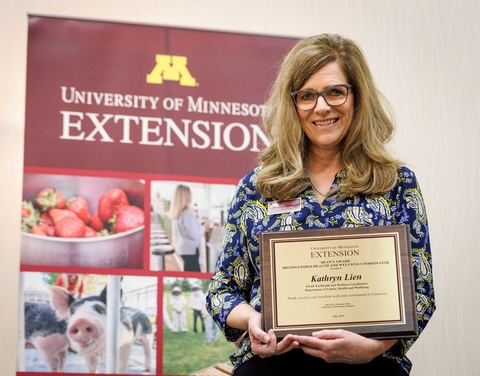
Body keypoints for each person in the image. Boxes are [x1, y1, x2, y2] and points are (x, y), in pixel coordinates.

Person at [206, 33, 435, 376]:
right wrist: (253, 321)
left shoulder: (397, 183)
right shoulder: (258, 187)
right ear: (292, 104)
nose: (322, 107)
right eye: (307, 96)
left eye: (335, 92)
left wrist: (372, 347)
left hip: (368, 365)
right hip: (273, 365)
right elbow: (222, 289)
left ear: (358, 97)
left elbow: (421, 292)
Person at [170, 184, 211, 272]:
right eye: (190, 195)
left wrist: (198, 224)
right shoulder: (187, 214)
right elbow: (194, 235)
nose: (191, 197)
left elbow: (185, 229)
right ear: (186, 197)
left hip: (182, 249)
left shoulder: (176, 213)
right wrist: (204, 227)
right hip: (191, 250)